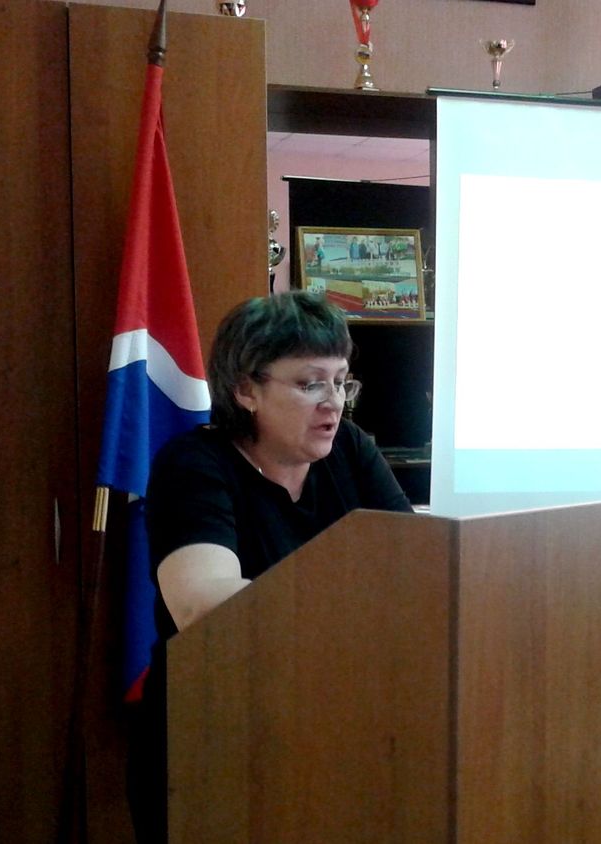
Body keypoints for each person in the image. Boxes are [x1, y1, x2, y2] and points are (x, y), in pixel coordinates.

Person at [127, 290, 413, 841]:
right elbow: (203, 605)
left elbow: (416, 565)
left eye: (341, 382)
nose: (334, 403)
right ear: (246, 390)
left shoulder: (350, 449)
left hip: (330, 726)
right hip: (213, 737)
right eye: (310, 384)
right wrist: (354, 604)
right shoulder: (194, 464)